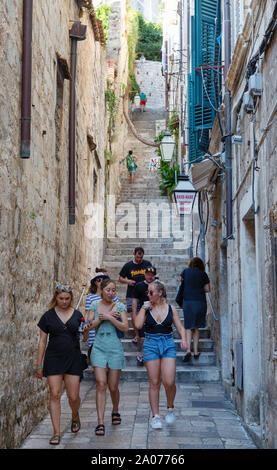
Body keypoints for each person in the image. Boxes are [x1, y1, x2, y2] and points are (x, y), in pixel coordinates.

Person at [134, 280, 187, 430]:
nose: (148, 295)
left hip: (168, 344)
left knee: (169, 381)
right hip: (150, 345)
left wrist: (183, 340)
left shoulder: (171, 308)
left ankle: (170, 407)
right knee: (154, 382)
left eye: (151, 292)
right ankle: (155, 416)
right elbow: (137, 325)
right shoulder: (147, 308)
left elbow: (181, 328)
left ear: (160, 293)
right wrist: (144, 308)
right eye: (147, 293)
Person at [36, 284, 85, 445]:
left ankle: (75, 415)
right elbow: (42, 341)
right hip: (54, 358)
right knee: (55, 394)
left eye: (67, 299)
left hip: (73, 358)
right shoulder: (48, 316)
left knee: (73, 396)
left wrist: (86, 329)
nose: (64, 301)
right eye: (61, 298)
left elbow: (83, 337)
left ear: (71, 299)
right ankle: (56, 432)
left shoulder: (78, 315)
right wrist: (39, 364)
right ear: (55, 298)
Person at [83, 279, 128, 436]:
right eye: (108, 290)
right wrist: (102, 317)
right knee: (101, 384)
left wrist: (111, 318)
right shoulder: (94, 306)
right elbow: (87, 326)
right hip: (99, 347)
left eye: (113, 290)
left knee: (113, 386)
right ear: (101, 290)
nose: (111, 293)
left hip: (115, 348)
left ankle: (115, 410)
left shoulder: (120, 306)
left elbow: (126, 328)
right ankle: (100, 422)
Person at [180, 257, 210, 362]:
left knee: (188, 326)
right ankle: (196, 352)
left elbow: (181, 283)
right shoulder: (204, 274)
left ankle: (188, 350)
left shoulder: (185, 271)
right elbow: (207, 289)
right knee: (196, 327)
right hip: (200, 302)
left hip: (188, 301)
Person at [119, 247, 152, 344]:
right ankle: (137, 335)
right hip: (132, 293)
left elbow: (152, 275)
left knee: (146, 314)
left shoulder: (147, 264)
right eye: (137, 257)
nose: (139, 260)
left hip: (145, 294)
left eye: (141, 258)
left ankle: (146, 334)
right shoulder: (128, 265)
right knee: (134, 315)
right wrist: (127, 281)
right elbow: (120, 278)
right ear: (134, 254)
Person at [84, 268, 118, 359]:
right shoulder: (90, 297)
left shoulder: (112, 296)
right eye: (99, 280)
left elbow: (118, 311)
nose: (101, 282)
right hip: (94, 334)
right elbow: (87, 315)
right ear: (95, 282)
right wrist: (86, 329)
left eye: (104, 280)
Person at [132, 266, 157, 365]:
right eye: (148, 274)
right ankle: (142, 354)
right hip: (143, 312)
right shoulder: (139, 285)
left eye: (152, 275)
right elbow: (134, 300)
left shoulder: (158, 286)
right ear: (145, 274)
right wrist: (134, 313)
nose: (150, 276)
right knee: (142, 336)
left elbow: (163, 299)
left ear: (154, 276)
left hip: (155, 313)